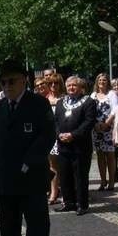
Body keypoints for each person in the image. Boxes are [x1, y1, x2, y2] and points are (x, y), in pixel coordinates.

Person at [0, 59, 56, 236]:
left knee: (37, 230)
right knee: (8, 231)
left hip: (31, 178)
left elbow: (47, 136)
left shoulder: (39, 104)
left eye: (12, 81)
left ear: (24, 80)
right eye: (4, 82)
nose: (7, 86)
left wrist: (29, 161)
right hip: (5, 180)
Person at [54, 76, 97, 215]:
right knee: (64, 175)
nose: (71, 88)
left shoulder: (89, 102)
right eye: (69, 85)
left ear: (80, 87)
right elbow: (55, 122)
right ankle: (68, 202)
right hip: (63, 145)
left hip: (80, 146)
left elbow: (89, 122)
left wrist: (73, 135)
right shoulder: (61, 102)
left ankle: (82, 204)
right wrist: (59, 134)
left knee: (80, 176)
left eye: (74, 85)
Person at [91, 73, 118, 191]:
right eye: (100, 80)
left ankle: (112, 182)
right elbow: (89, 111)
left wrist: (106, 123)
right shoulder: (93, 95)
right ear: (97, 82)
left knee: (110, 156)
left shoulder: (111, 94)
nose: (102, 82)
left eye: (104, 80)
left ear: (107, 82)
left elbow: (115, 110)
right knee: (100, 156)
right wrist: (95, 124)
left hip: (108, 128)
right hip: (96, 129)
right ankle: (103, 181)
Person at [47, 73, 65, 205]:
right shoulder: (44, 99)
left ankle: (66, 192)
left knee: (64, 165)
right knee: (52, 166)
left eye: (56, 83)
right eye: (51, 83)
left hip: (63, 135)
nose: (53, 86)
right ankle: (53, 192)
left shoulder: (65, 99)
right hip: (50, 135)